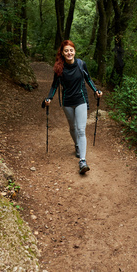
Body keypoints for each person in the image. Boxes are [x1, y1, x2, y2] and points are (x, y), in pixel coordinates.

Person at [42, 40, 102, 175]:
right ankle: (77, 146)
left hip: (81, 100)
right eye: (66, 51)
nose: (69, 53)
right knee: (72, 128)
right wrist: (49, 98)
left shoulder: (81, 64)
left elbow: (88, 79)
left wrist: (95, 90)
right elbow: (54, 85)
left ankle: (82, 161)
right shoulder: (59, 68)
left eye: (71, 50)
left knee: (81, 129)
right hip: (67, 102)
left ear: (74, 51)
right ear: (62, 53)